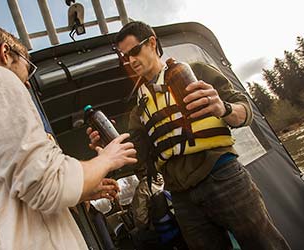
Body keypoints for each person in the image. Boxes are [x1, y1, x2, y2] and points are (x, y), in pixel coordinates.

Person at [0, 23, 137, 250]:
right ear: (5, 53)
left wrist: (83, 192)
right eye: (29, 67)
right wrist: (107, 159)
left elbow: (10, 192)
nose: (28, 82)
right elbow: (48, 183)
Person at [87, 21, 291, 250]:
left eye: (134, 51)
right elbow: (140, 156)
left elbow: (246, 111)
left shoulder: (198, 71)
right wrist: (108, 149)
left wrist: (224, 108)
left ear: (152, 43)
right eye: (125, 57)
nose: (131, 60)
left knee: (266, 245)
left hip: (224, 176)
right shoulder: (138, 111)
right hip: (181, 197)